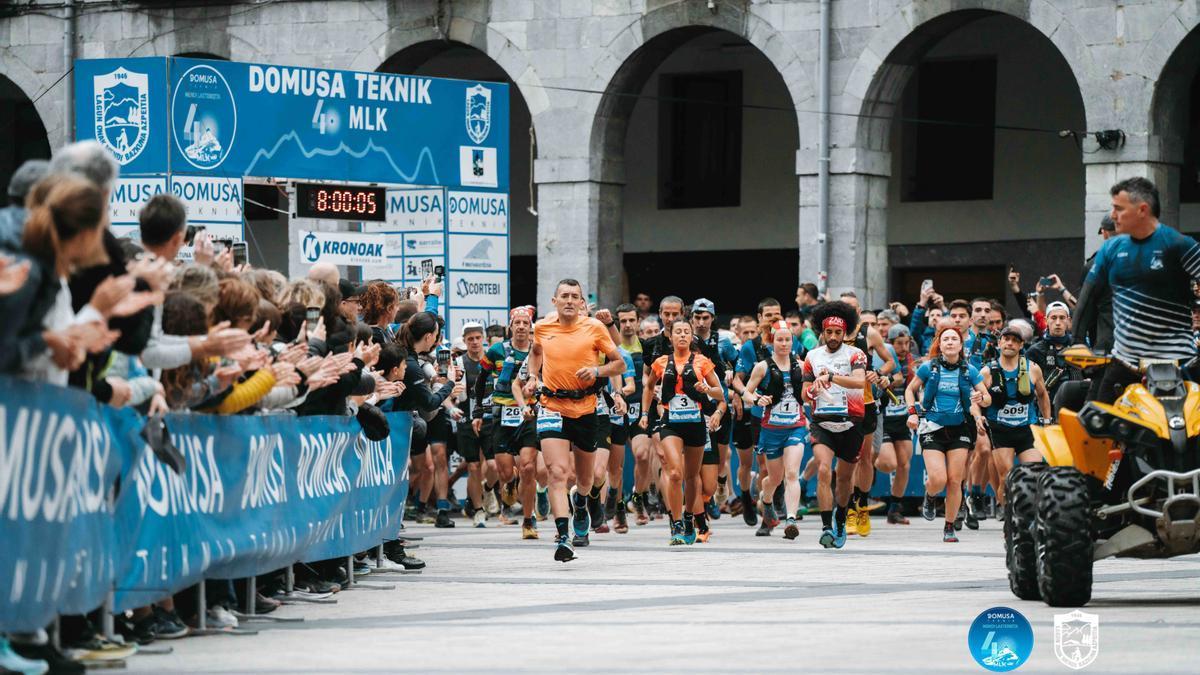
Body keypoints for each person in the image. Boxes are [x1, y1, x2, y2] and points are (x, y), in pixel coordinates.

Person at [525, 279, 626, 562]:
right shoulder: (543, 327)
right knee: (557, 473)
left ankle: (580, 502)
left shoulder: (593, 327)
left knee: (586, 478)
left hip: (585, 408)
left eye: (575, 297)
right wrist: (533, 376)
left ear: (582, 303)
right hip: (552, 406)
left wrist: (596, 371)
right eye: (564, 296)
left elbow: (619, 363)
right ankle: (562, 536)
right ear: (554, 301)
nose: (569, 300)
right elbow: (535, 354)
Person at [1075, 177, 1200, 403]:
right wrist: (1077, 342)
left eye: (1119, 209)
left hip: (1181, 360)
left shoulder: (1180, 245)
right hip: (1125, 361)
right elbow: (1086, 299)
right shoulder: (1110, 250)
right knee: (1093, 423)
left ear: (1142, 210)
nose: (1113, 216)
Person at [641, 319, 726, 545]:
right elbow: (649, 386)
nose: (681, 335)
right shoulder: (660, 362)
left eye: (686, 332)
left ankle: (689, 518)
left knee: (691, 477)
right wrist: (644, 413)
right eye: (677, 332)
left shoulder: (702, 362)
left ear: (691, 337)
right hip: (671, 423)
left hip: (696, 424)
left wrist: (706, 389)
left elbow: (720, 394)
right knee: (675, 473)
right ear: (670, 337)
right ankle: (676, 523)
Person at [905, 323, 991, 543]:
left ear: (961, 345)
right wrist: (913, 413)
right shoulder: (928, 368)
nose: (950, 342)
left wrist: (982, 399)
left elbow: (987, 397)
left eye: (954, 339)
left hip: (960, 428)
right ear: (940, 345)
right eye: (946, 339)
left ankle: (949, 526)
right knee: (938, 478)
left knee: (955, 480)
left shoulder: (969, 370)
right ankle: (931, 495)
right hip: (932, 427)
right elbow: (910, 390)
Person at [801, 301, 868, 549]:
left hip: (852, 422)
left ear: (845, 332)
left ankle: (841, 516)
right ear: (822, 331)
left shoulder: (855, 355)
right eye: (828, 332)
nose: (832, 337)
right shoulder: (812, 357)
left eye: (838, 332)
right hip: (822, 422)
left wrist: (830, 377)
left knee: (843, 478)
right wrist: (812, 392)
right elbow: (803, 393)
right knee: (823, 470)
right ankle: (826, 526)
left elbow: (859, 383)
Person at [475, 308, 545, 539]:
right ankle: (510, 482)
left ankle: (528, 520)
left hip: (529, 414)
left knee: (528, 467)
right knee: (505, 472)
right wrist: (478, 410)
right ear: (511, 327)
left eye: (526, 323)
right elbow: (481, 378)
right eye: (518, 323)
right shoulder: (497, 350)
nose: (522, 327)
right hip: (502, 414)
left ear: (531, 327)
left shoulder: (538, 351)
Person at [741, 319, 808, 540]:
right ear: (772, 341)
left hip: (795, 426)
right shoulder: (762, 366)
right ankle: (765, 498)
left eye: (788, 339)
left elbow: (810, 389)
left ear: (793, 341)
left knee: (791, 473)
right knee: (774, 478)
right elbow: (747, 392)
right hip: (771, 429)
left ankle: (790, 519)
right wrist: (757, 399)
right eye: (780, 339)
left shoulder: (800, 364)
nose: (784, 344)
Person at [981, 322, 1050, 510]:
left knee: (1034, 475)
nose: (1010, 343)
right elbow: (975, 399)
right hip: (1000, 431)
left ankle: (1029, 516)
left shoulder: (1033, 368)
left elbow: (1043, 395)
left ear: (1021, 345)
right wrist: (978, 418)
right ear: (999, 343)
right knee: (1007, 477)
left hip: (1027, 428)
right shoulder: (987, 372)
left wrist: (1047, 421)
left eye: (1015, 340)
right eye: (1006, 339)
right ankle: (1009, 516)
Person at [876, 323, 916, 524]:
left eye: (906, 343)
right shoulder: (882, 357)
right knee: (887, 463)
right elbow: (894, 379)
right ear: (890, 344)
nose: (903, 347)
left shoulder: (911, 362)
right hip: (882, 418)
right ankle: (867, 462)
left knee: (904, 464)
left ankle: (894, 509)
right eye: (899, 343)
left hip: (901, 420)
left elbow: (905, 381)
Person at [1079, 214, 1117, 352]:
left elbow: (1085, 310)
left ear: (1104, 232)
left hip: (1105, 344)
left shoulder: (1093, 266)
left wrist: (1078, 342)